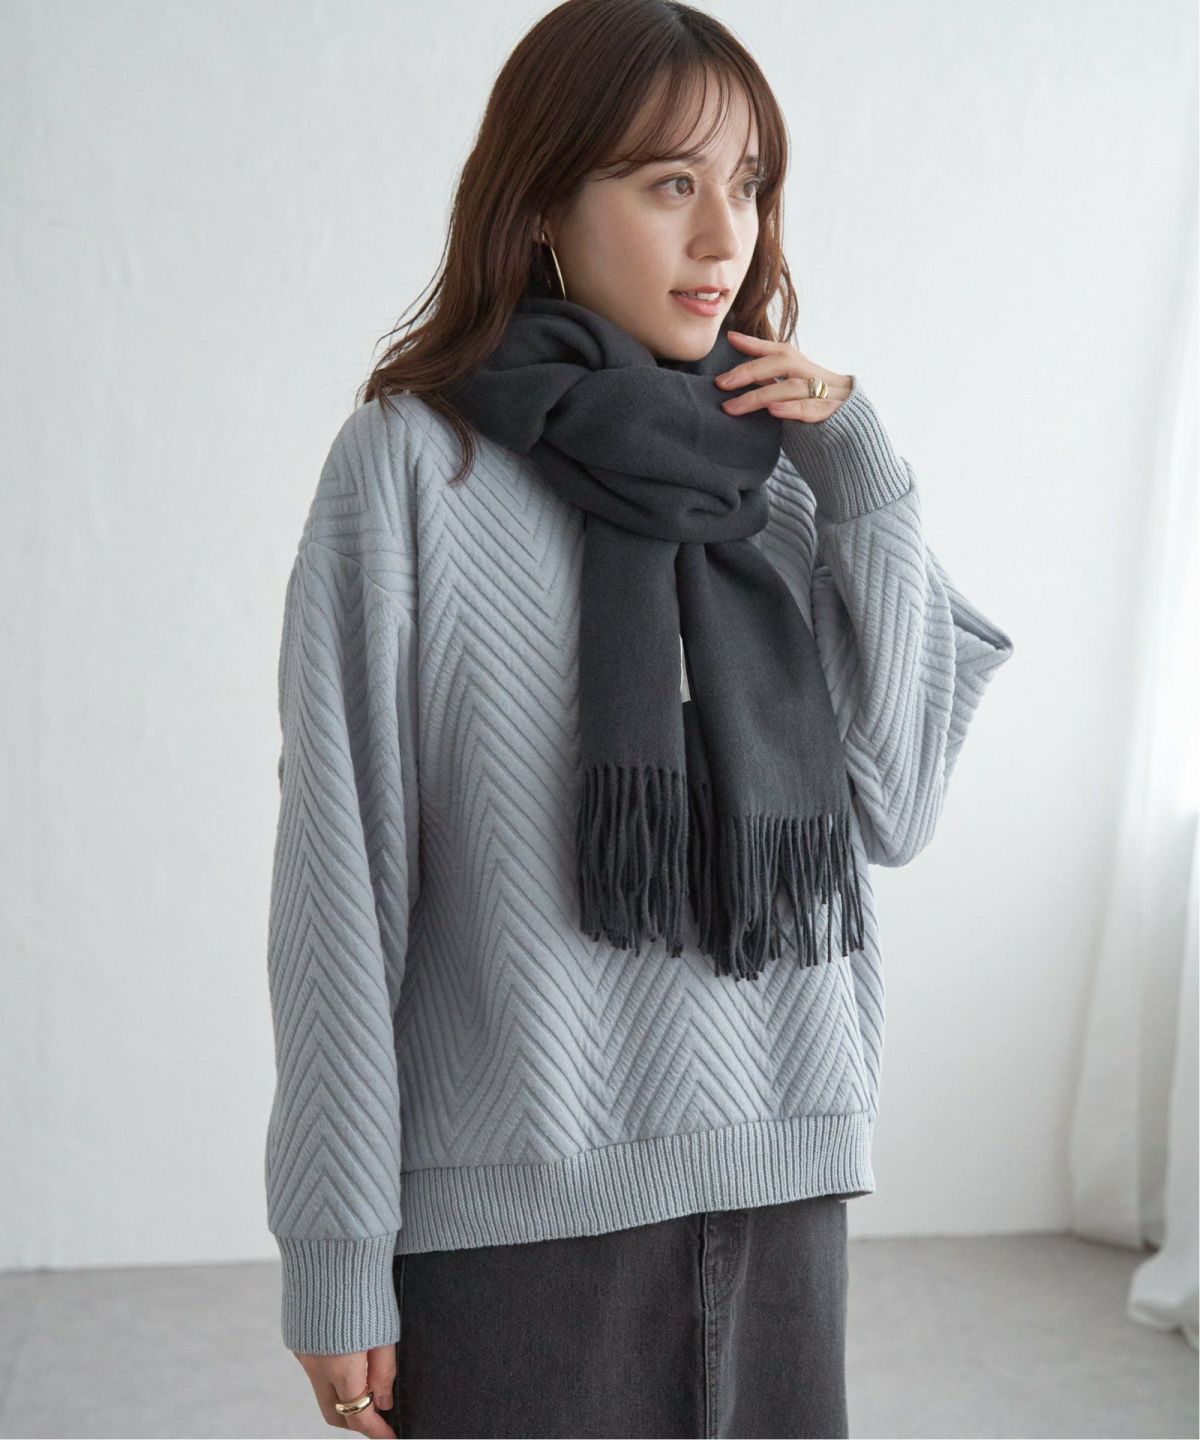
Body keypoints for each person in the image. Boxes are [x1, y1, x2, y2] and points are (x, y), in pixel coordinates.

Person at [263, 1, 1015, 1435]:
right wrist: (337, 1252)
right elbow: (338, 888)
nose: (724, 236)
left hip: (786, 1184)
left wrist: (864, 472)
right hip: (516, 1220)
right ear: (545, 199)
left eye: (750, 184)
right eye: (672, 182)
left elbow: (896, 806)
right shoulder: (413, 468)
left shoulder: (786, 468)